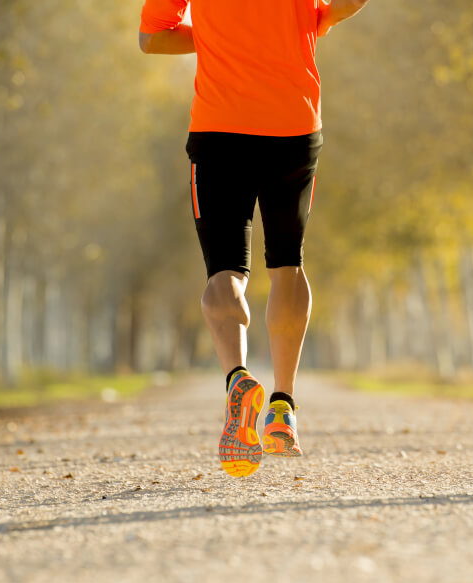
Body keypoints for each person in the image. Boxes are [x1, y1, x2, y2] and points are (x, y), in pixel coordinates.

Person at [139, 0, 371, 477]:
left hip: (220, 128)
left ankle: (238, 379)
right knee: (288, 262)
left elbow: (153, 38)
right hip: (295, 123)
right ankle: (282, 409)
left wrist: (213, 36)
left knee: (225, 271)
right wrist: (308, 21)